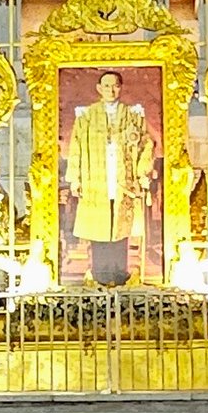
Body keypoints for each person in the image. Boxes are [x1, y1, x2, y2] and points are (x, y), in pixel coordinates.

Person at [63, 69, 155, 285]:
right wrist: (75, 178)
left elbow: (146, 144)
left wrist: (142, 172)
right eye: (106, 86)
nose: (110, 90)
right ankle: (100, 274)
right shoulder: (86, 116)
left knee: (120, 225)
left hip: (122, 178)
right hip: (96, 178)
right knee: (99, 225)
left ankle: (119, 273)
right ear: (99, 89)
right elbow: (76, 147)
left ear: (120, 88)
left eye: (115, 86)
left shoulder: (133, 115)